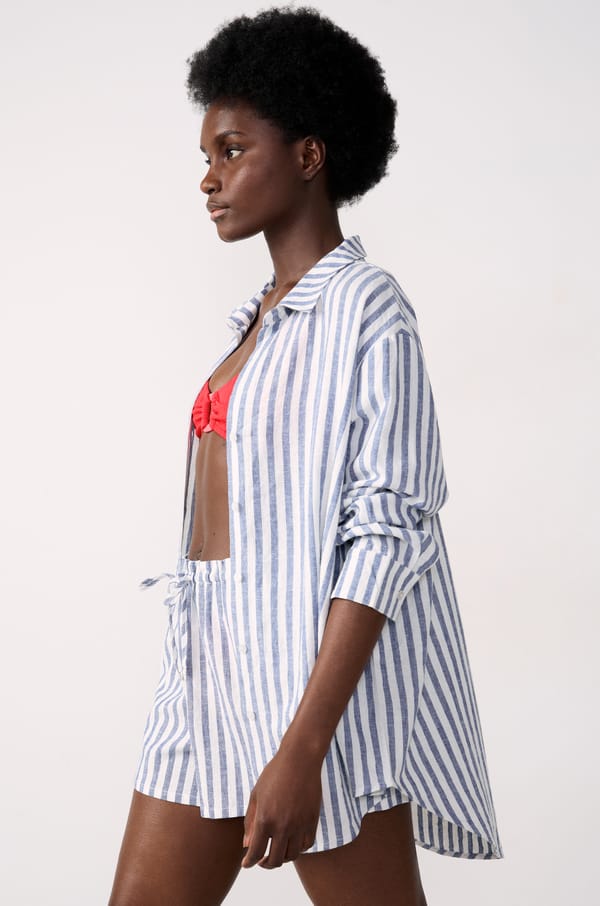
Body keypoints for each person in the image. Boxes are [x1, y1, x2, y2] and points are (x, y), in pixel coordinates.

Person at [108, 7, 503, 905]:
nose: (209, 178)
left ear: (310, 155)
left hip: (307, 681)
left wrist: (304, 746)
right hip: (203, 671)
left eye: (232, 150)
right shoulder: (260, 319)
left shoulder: (367, 308)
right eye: (207, 156)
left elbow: (389, 530)